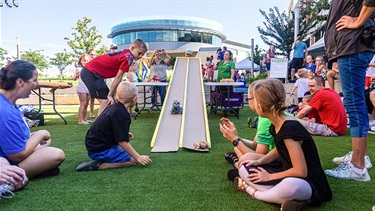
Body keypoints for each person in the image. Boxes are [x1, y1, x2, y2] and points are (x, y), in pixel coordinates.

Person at [234, 78, 332, 210]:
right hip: (286, 171)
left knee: (290, 186)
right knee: (245, 166)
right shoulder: (276, 125)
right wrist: (260, 161)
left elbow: (301, 171)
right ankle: (287, 199)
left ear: (260, 107)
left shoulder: (289, 129)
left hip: (307, 181)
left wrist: (269, 176)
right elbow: (279, 150)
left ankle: (253, 192)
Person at [324, 0, 375, 181]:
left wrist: (358, 21)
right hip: (349, 46)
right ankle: (360, 157)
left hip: (353, 45)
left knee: (354, 104)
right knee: (356, 102)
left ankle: (357, 166)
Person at [0, 60, 65, 179]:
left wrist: (34, 139)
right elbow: (17, 155)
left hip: (9, 155)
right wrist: (40, 134)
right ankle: (11, 176)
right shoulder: (5, 111)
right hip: (7, 161)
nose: (37, 84)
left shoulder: (7, 103)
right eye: (34, 80)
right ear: (20, 82)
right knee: (56, 154)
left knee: (46, 143)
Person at [76, 81, 152, 171]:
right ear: (134, 99)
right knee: (132, 161)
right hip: (100, 150)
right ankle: (98, 165)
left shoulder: (113, 107)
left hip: (93, 146)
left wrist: (124, 132)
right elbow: (122, 142)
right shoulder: (122, 114)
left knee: (129, 156)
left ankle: (100, 159)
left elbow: (107, 125)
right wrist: (138, 157)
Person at [219, 81, 275, 176]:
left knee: (245, 158)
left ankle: (237, 164)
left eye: (248, 99)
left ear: (257, 101)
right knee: (237, 147)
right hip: (277, 159)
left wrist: (235, 140)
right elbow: (254, 145)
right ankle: (239, 164)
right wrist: (234, 136)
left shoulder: (267, 119)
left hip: (277, 163)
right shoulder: (266, 117)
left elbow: (257, 156)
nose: (248, 101)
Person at [81, 39, 148, 116]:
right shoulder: (127, 58)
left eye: (142, 55)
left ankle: (104, 124)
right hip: (90, 72)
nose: (140, 56)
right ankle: (99, 126)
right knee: (105, 101)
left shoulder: (127, 54)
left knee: (109, 101)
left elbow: (118, 77)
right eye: (139, 53)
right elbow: (118, 77)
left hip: (94, 73)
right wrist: (110, 94)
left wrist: (114, 94)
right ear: (132, 48)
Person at [72, 54, 92, 125]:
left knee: (86, 104)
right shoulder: (79, 69)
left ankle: (85, 118)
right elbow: (73, 78)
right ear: (80, 61)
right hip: (82, 89)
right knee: (83, 104)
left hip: (88, 89)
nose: (86, 62)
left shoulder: (90, 69)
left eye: (87, 60)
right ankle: (80, 120)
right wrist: (76, 75)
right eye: (84, 60)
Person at [87, 49, 98, 119]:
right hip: (86, 84)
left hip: (94, 83)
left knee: (92, 99)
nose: (93, 56)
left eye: (94, 55)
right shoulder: (86, 63)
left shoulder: (96, 64)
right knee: (85, 100)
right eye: (91, 54)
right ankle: (84, 115)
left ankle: (91, 113)